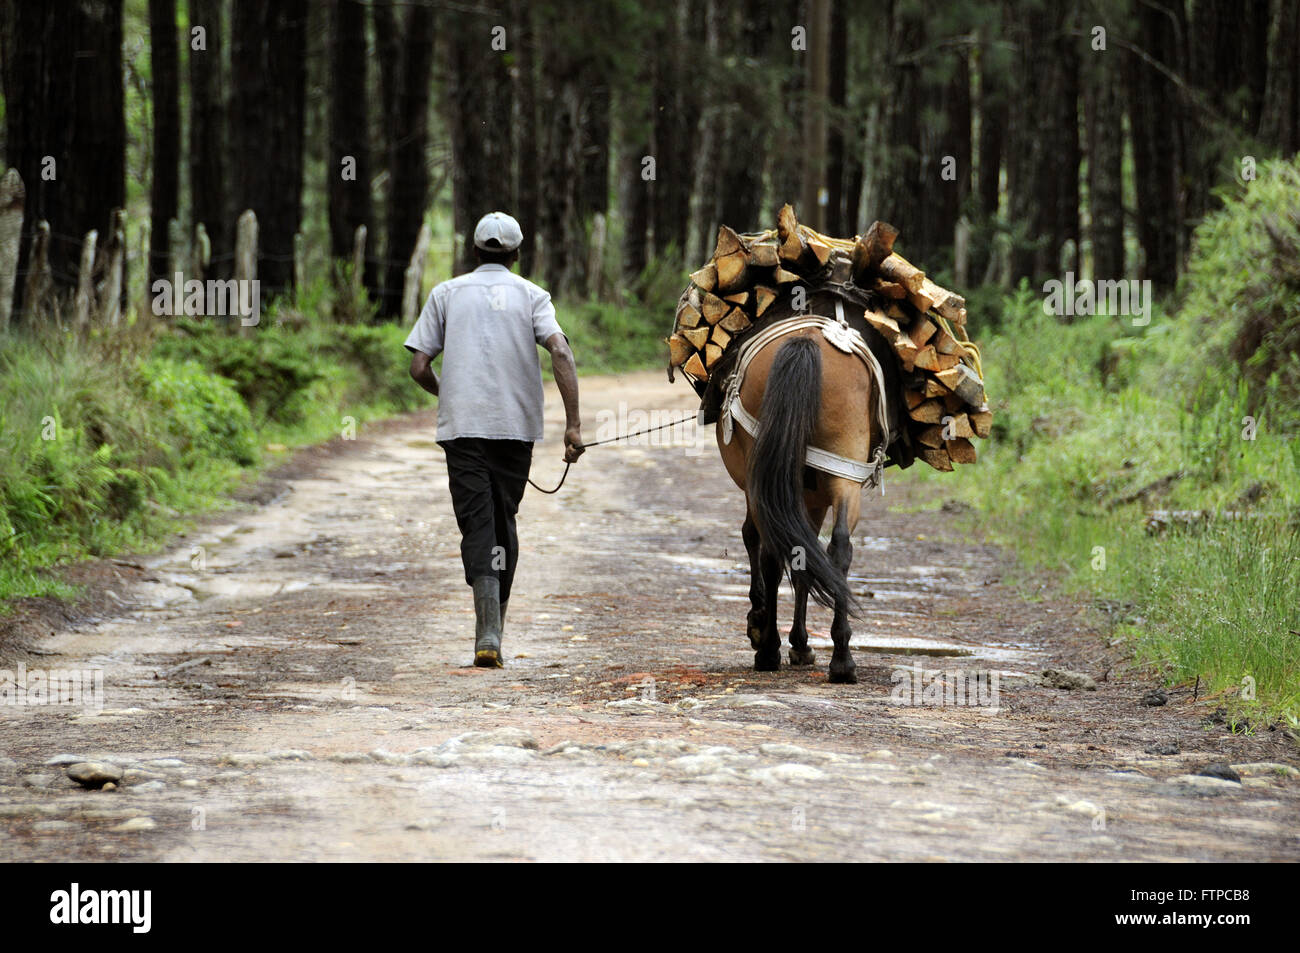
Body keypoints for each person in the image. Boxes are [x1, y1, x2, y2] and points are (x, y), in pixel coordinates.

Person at [405, 212, 583, 667]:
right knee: (505, 519)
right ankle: (494, 628)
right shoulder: (532, 295)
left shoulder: (446, 293)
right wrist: (573, 424)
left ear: (474, 251)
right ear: (517, 254)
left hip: (462, 430)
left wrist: (451, 394)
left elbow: (419, 367)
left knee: (477, 523)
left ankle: (487, 632)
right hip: (515, 428)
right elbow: (560, 350)